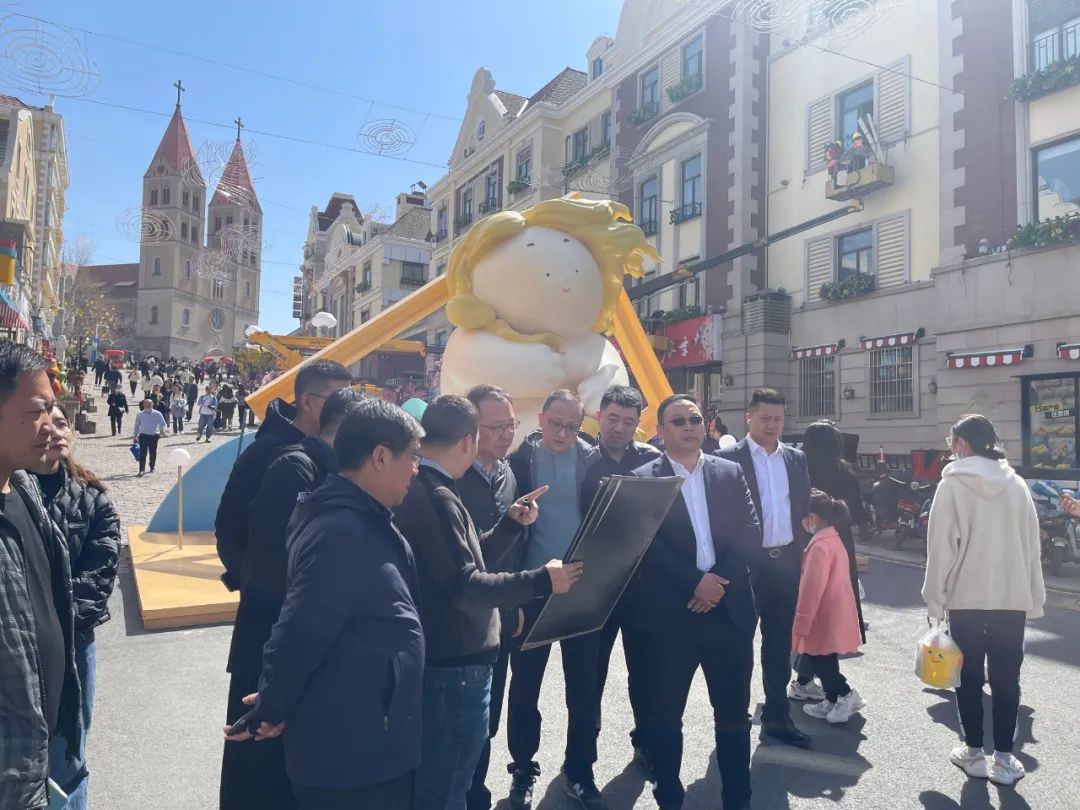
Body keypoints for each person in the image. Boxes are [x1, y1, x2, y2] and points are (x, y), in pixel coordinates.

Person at [224, 399, 426, 810]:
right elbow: (300, 630)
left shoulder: (361, 518)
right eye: (413, 456)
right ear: (380, 457)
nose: (416, 469)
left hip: (368, 744)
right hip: (351, 758)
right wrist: (272, 705)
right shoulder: (341, 531)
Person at [396, 395, 582, 810]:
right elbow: (466, 584)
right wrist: (542, 580)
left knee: (453, 777)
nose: (505, 436)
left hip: (453, 657)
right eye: (494, 428)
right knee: (446, 788)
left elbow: (470, 557)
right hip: (453, 662)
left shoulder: (434, 485)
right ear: (468, 440)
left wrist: (510, 525)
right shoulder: (438, 495)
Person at [220, 387, 368, 810]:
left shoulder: (328, 472)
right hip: (269, 646)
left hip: (293, 647)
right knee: (257, 773)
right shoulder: (295, 469)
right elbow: (272, 566)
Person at [630, 394, 759, 810]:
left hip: (728, 613)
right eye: (679, 421)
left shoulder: (729, 471)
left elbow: (749, 531)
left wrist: (715, 583)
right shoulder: (643, 479)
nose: (689, 426)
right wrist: (695, 582)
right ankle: (669, 795)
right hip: (673, 617)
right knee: (666, 717)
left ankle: (738, 799)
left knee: (734, 717)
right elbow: (645, 545)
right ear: (661, 431)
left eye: (695, 419)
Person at [923, 414, 1045, 787]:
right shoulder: (1016, 484)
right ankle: (1005, 758)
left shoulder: (952, 484)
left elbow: (941, 548)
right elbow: (1031, 545)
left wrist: (935, 599)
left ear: (961, 443)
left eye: (951, 440)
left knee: (969, 677)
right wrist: (1033, 594)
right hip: (1011, 596)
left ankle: (974, 752)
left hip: (966, 597)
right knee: (1007, 678)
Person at [504, 389, 605, 810]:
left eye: (572, 426)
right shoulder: (518, 463)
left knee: (584, 691)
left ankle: (580, 770)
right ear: (541, 418)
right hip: (533, 590)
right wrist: (512, 596)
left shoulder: (594, 461)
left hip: (581, 591)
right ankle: (522, 768)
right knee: (525, 689)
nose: (563, 433)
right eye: (556, 423)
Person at [0, 341, 82, 810]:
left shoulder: (25, 487)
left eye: (52, 409)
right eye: (36, 411)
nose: (51, 425)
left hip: (42, 748)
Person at [30, 404, 121, 809]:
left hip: (72, 644)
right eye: (45, 422)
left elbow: (97, 579)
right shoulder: (12, 494)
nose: (54, 431)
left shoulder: (94, 499)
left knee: (68, 752)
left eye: (62, 423)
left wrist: (47, 620)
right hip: (15, 644)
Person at [716, 387, 813, 748]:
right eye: (765, 418)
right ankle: (734, 714)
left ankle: (777, 714)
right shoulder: (727, 459)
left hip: (784, 562)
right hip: (745, 565)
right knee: (738, 641)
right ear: (749, 417)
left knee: (779, 642)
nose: (772, 425)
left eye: (778, 419)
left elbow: (801, 506)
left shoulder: (796, 459)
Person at [580, 385, 660, 771]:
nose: (619, 428)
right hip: (594, 589)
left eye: (629, 422)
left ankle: (646, 741)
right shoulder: (581, 461)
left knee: (645, 672)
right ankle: (583, 756)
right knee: (589, 677)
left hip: (641, 588)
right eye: (613, 418)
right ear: (599, 416)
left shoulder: (651, 462)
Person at [460, 385, 524, 810]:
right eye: (496, 427)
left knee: (487, 719)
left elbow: (510, 552)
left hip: (498, 617)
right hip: (457, 623)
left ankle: (477, 794)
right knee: (458, 725)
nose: (506, 435)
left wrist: (514, 603)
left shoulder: (506, 474)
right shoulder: (447, 479)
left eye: (511, 425)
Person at [790, 420, 868, 700]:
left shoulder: (798, 470)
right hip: (838, 542)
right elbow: (858, 514)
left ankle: (805, 680)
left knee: (811, 609)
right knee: (829, 612)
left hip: (804, 539)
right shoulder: (845, 473)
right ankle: (808, 680)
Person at [793, 489, 865, 724]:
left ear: (813, 517)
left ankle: (846, 695)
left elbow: (811, 589)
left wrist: (801, 620)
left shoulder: (819, 547)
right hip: (832, 611)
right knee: (825, 657)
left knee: (820, 661)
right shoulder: (833, 539)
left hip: (821, 614)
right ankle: (832, 699)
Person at [133, 398, 168, 476]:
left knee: (153, 452)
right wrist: (135, 436)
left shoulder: (157, 414)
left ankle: (152, 466)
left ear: (152, 405)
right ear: (143, 405)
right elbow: (136, 426)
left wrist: (163, 430)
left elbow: (163, 424)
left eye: (149, 404)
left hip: (154, 436)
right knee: (143, 453)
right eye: (146, 404)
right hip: (143, 436)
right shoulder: (140, 414)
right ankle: (141, 470)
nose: (147, 406)